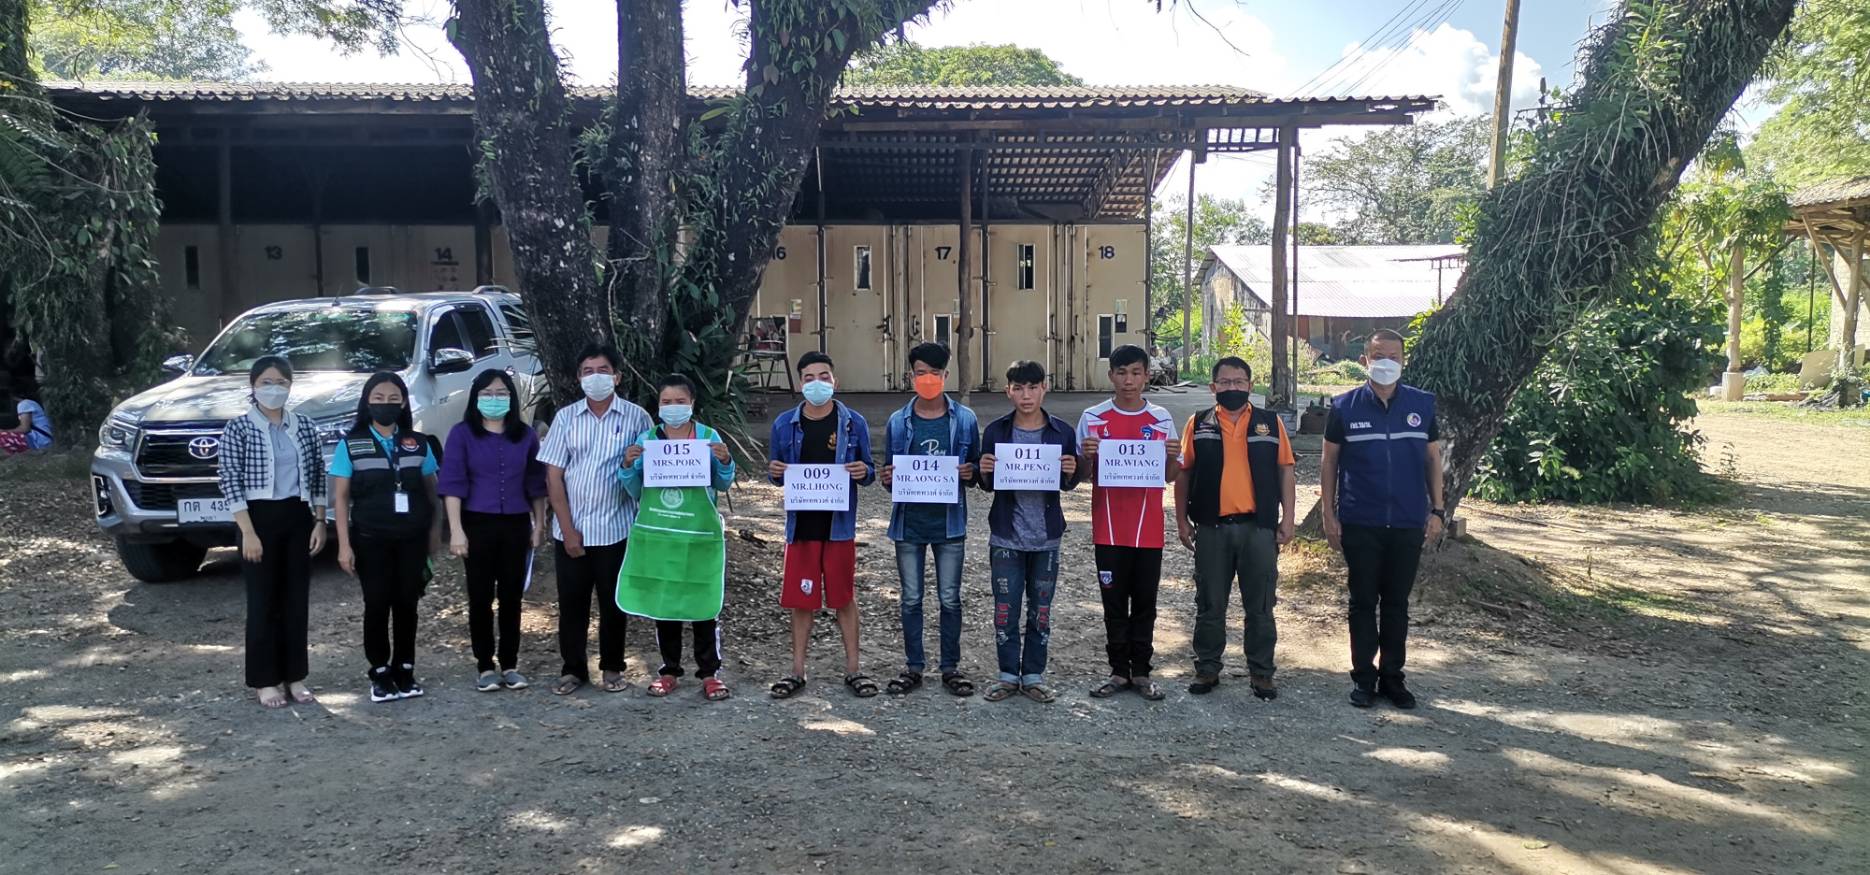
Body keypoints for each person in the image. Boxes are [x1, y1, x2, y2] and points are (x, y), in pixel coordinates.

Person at [1319, 329, 1445, 710]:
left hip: (1407, 522)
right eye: (1378, 356)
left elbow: (1433, 460)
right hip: (1361, 521)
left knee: (1396, 604)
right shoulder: (1344, 407)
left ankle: (1393, 677)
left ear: (1403, 361)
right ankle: (1364, 678)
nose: (1386, 363)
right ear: (1365, 361)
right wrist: (1329, 515)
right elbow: (1329, 462)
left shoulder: (1422, 405)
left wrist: (1438, 511)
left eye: (1393, 356)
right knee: (1362, 602)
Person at [1174, 357, 1296, 700]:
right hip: (1212, 528)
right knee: (1210, 604)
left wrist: (1288, 519)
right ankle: (1207, 669)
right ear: (1213, 387)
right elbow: (1184, 472)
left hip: (1258, 529)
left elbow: (1286, 470)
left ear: (1250, 385)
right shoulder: (1199, 423)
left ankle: (1262, 673)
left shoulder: (1270, 423)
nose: (1233, 388)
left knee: (1261, 606)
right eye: (1225, 382)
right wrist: (1181, 519)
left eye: (1239, 382)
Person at [536, 344, 652, 696]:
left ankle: (612, 668)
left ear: (617, 377)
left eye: (603, 370)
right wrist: (567, 529)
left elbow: (651, 468)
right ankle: (573, 670)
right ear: (578, 378)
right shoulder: (566, 418)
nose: (595, 377)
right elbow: (554, 476)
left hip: (616, 529)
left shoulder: (636, 418)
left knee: (613, 605)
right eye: (588, 371)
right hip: (572, 530)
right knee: (572, 604)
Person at [216, 356, 328, 709]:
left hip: (297, 515)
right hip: (257, 518)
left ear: (290, 386)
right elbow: (229, 480)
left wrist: (320, 520)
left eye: (281, 382)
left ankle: (295, 676)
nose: (274, 388)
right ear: (253, 386)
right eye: (266, 382)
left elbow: (318, 474)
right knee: (263, 600)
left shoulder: (304, 426)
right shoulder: (238, 428)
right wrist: (248, 532)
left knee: (296, 600)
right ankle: (265, 680)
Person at [616, 374, 737, 701]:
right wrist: (627, 465)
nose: (673, 407)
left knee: (703, 605)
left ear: (692, 403)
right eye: (666, 402)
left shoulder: (708, 437)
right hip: (660, 536)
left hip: (698, 536)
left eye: (680, 401)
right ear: (658, 406)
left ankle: (709, 673)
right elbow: (634, 489)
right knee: (664, 603)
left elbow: (722, 483)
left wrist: (725, 461)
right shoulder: (648, 440)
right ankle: (669, 670)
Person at [766, 351, 877, 699]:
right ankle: (797, 671)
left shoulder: (854, 423)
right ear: (800, 384)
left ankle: (854, 669)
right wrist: (775, 472)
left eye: (824, 376)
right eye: (809, 378)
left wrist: (863, 471)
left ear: (835, 381)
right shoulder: (784, 424)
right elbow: (776, 473)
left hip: (838, 526)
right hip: (801, 527)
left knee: (844, 597)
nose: (817, 383)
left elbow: (870, 471)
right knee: (802, 600)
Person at [1076, 344, 1180, 701]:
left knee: (1146, 604)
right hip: (1108, 530)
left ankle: (1143, 673)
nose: (1129, 380)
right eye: (1121, 373)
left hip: (1148, 531)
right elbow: (1083, 475)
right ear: (1111, 376)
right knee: (1114, 604)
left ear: (1147, 376)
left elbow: (1169, 475)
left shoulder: (1161, 418)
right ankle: (1119, 671)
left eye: (1136, 373)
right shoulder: (1092, 417)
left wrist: (1173, 457)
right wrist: (1086, 457)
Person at [332, 372, 443, 703]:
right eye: (378, 398)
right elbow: (341, 499)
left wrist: (434, 534)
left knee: (408, 603)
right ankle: (380, 672)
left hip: (412, 539)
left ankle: (405, 669)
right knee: (377, 603)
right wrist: (344, 545)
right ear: (367, 402)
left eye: (393, 398)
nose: (386, 404)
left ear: (404, 403)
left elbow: (433, 494)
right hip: (370, 538)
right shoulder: (350, 444)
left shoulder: (418, 443)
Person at [975, 361, 1080, 703]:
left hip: (1047, 537)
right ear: (1008, 391)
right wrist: (983, 469)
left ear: (1044, 388)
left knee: (1041, 611)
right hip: (1006, 535)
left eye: (1033, 387)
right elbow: (986, 484)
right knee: (1005, 610)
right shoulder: (996, 432)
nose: (1026, 395)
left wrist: (1073, 469)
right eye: (1018, 388)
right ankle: (1007, 675)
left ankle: (1033, 674)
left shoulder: (1062, 432)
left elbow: (1069, 483)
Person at [879, 342, 981, 697]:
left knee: (950, 598)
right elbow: (889, 474)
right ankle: (914, 667)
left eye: (934, 373)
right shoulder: (897, 421)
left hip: (949, 525)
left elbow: (977, 470)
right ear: (911, 376)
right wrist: (888, 477)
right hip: (909, 525)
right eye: (921, 372)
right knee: (911, 599)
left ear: (945, 376)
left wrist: (970, 472)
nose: (927, 379)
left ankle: (950, 667)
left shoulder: (965, 420)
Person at [439, 369, 549, 693]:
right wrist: (456, 531)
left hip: (515, 524)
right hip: (477, 523)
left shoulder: (525, 435)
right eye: (487, 393)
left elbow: (536, 485)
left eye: (501, 393)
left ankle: (510, 664)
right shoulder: (462, 434)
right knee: (480, 597)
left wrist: (539, 525)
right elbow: (452, 485)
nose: (494, 399)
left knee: (512, 597)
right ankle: (485, 666)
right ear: (475, 397)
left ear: (511, 398)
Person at [0, 374, 53, 455]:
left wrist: (5, 431)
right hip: (44, 439)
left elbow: (25, 428)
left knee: (2, 436)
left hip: (40, 440)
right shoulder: (31, 403)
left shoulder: (24, 404)